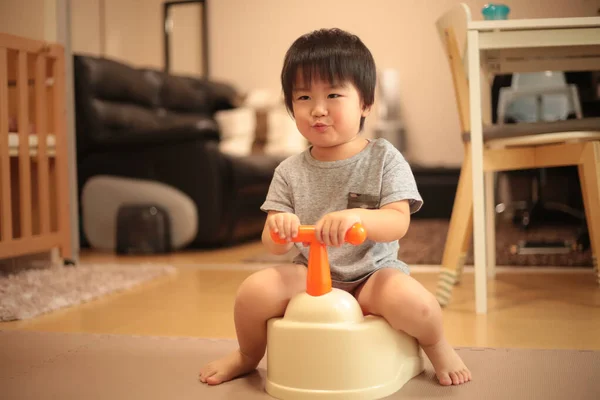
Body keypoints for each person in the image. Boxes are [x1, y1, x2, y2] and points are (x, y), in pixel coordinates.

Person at [199, 27, 471, 387]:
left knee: (418, 304)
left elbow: (397, 222)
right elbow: (273, 241)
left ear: (365, 103)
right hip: (310, 275)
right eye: (303, 97)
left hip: (373, 276)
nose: (318, 109)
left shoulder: (384, 158)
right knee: (253, 292)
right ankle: (248, 355)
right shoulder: (289, 170)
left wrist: (358, 218)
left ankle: (436, 346)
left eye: (332, 94)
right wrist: (280, 229)